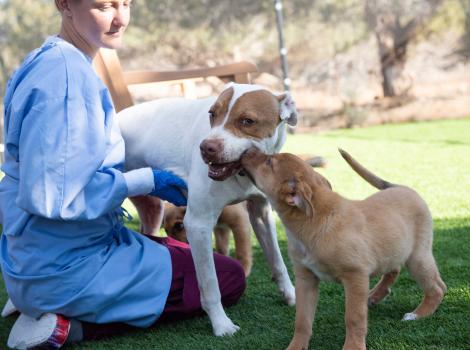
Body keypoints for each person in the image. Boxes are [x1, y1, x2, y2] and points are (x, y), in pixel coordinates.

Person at [0, 0, 246, 348]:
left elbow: (57, 169)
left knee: (175, 248)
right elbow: (54, 196)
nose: (120, 18)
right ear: (65, 4)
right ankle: (65, 325)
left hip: (32, 257)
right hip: (65, 269)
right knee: (229, 276)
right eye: (104, 6)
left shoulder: (46, 58)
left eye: (125, 4)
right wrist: (145, 180)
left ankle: (40, 298)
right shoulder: (67, 81)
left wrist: (134, 192)